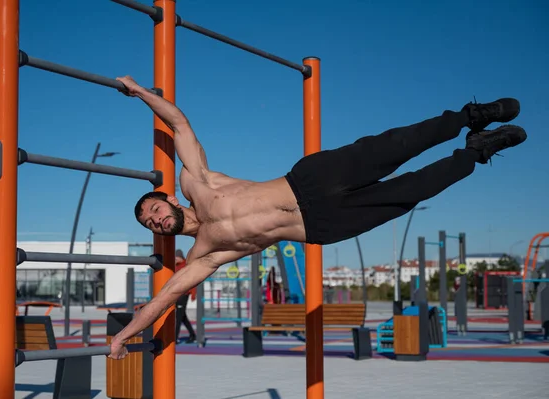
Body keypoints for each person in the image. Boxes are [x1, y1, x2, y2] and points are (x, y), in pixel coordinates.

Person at [108, 75, 527, 359]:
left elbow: (179, 123)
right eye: (149, 222)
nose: (155, 219)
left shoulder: (197, 182)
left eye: (154, 209)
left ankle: (471, 117)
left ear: (168, 200)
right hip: (321, 225)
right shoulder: (203, 255)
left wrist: (139, 92)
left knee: (398, 144)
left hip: (309, 181)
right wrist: (123, 337)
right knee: (413, 191)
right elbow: (161, 301)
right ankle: (479, 150)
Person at [174, 249, 197, 344]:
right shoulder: (175, 267)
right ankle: (193, 335)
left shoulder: (185, 266)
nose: (174, 259)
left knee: (178, 317)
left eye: (176, 257)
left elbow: (192, 280)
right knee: (182, 317)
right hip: (177, 294)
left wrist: (193, 293)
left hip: (184, 294)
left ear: (180, 257)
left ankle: (174, 338)